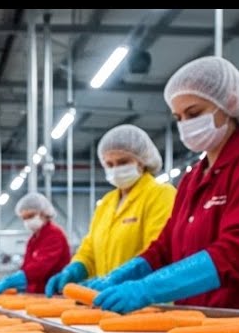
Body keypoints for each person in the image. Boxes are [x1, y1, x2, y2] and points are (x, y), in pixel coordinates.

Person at [90, 55, 239, 314]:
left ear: (229, 103)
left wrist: (147, 288)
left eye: (194, 113)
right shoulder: (193, 179)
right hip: (198, 321)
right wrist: (121, 276)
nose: (186, 125)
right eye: (179, 117)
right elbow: (166, 247)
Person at [44, 124, 177, 297]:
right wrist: (75, 268)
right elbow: (90, 249)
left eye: (123, 162)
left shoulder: (160, 194)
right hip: (106, 299)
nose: (115, 169)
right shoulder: (106, 203)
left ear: (142, 161)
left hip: (146, 300)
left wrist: (123, 279)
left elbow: (158, 252)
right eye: (109, 164)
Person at [0, 192, 71, 295]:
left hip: (53, 293)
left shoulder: (54, 235)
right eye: (24, 218)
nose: (27, 221)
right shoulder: (33, 240)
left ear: (44, 213)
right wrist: (20, 284)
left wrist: (12, 281)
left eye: (30, 216)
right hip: (38, 293)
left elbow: (39, 268)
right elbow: (27, 266)